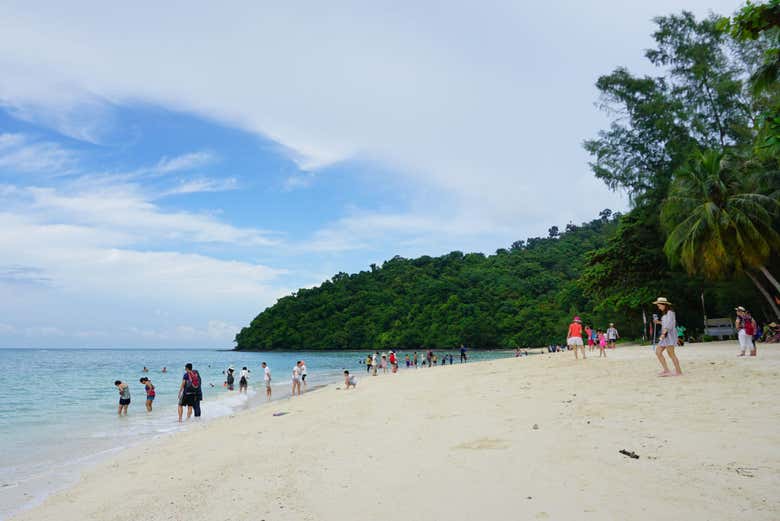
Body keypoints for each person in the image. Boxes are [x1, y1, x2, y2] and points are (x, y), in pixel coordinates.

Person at [653, 297, 682, 376]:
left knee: (671, 354)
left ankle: (678, 371)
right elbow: (665, 323)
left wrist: (663, 333)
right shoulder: (664, 314)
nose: (658, 307)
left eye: (659, 305)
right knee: (658, 352)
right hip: (665, 335)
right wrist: (658, 322)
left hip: (669, 335)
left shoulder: (670, 312)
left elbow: (670, 324)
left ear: (664, 305)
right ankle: (666, 370)